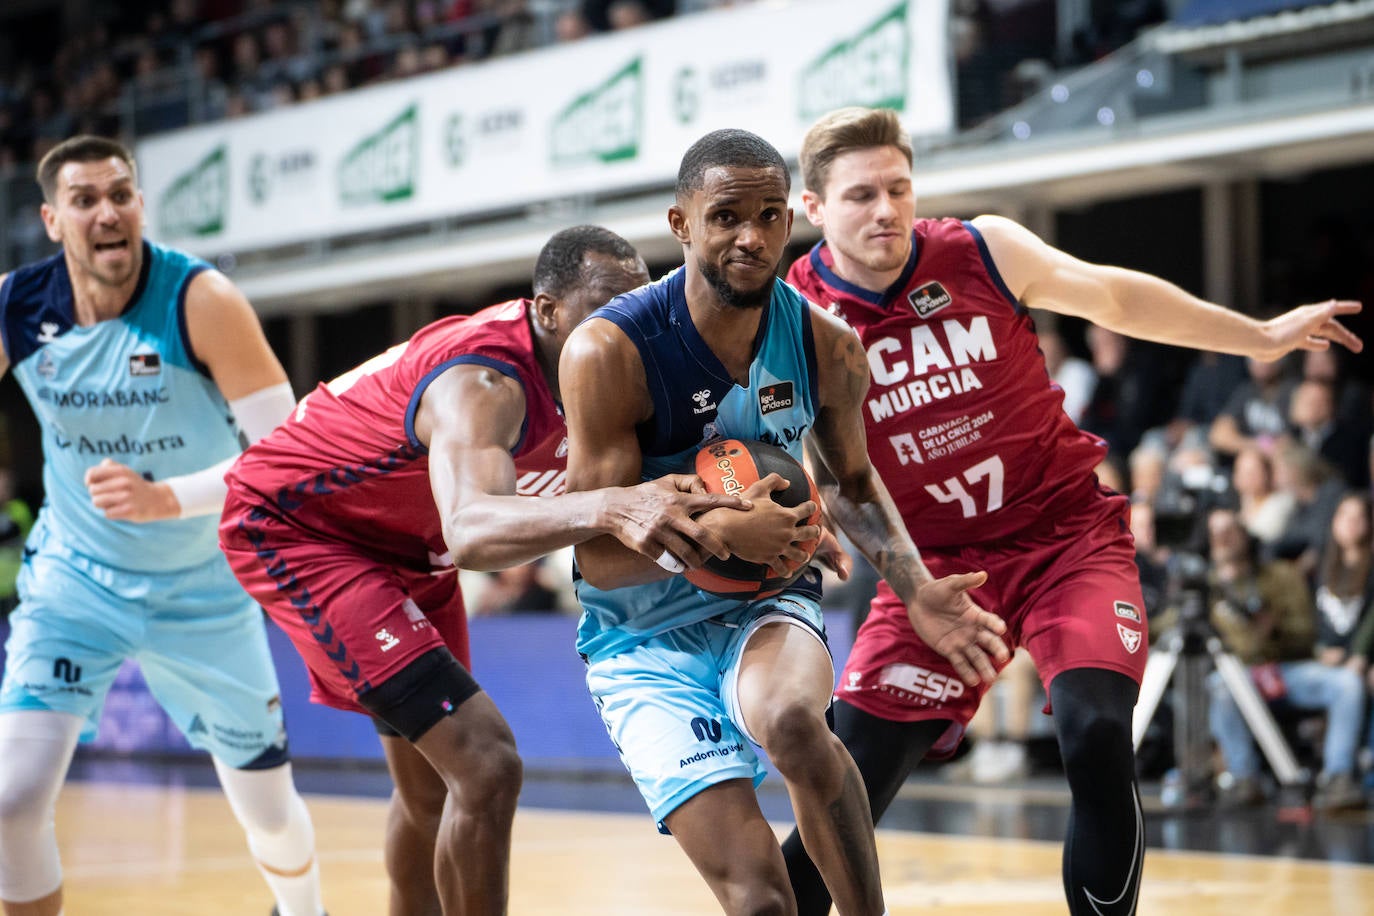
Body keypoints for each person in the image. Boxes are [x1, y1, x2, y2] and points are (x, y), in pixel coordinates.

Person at [780, 106, 1364, 916]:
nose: (886, 209)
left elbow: (1113, 297)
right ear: (813, 209)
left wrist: (1258, 337)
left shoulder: (983, 248)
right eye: (860, 196)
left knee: (1093, 732)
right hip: (934, 570)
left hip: (1065, 540)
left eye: (899, 188)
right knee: (846, 776)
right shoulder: (790, 317)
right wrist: (910, 586)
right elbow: (834, 474)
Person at [219, 225, 747, 916]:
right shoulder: (484, 380)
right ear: (547, 310)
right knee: (487, 763)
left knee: (436, 791)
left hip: (414, 550)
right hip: (302, 528)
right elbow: (470, 530)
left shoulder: (620, 371)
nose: (625, 324)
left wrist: (771, 520)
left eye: (637, 306)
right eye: (605, 305)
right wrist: (615, 505)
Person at [559, 128, 1010, 916]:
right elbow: (596, 559)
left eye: (770, 216)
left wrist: (915, 586)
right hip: (640, 639)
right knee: (763, 902)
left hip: (766, 595)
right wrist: (712, 537)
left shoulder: (829, 346)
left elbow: (854, 484)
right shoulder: (610, 351)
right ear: (681, 223)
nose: (753, 236)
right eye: (728, 216)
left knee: (795, 721)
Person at [0, 136, 325, 916]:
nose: (107, 211)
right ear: (53, 219)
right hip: (74, 582)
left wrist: (168, 497)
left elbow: (287, 456)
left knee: (270, 816)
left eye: (122, 194)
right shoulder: (18, 306)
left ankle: (304, 910)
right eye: (85, 199)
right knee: (10, 807)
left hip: (205, 590)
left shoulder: (199, 300)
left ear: (140, 205)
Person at [1200, 507, 1365, 811]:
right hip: (1240, 676)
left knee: (1347, 683)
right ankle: (1243, 778)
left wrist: (1275, 630)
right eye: (1215, 532)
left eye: (1229, 530)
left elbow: (1306, 634)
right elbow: (1166, 626)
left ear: (1245, 535)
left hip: (1286, 669)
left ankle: (1338, 777)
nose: (1223, 538)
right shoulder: (1203, 588)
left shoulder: (1281, 575)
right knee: (1220, 685)